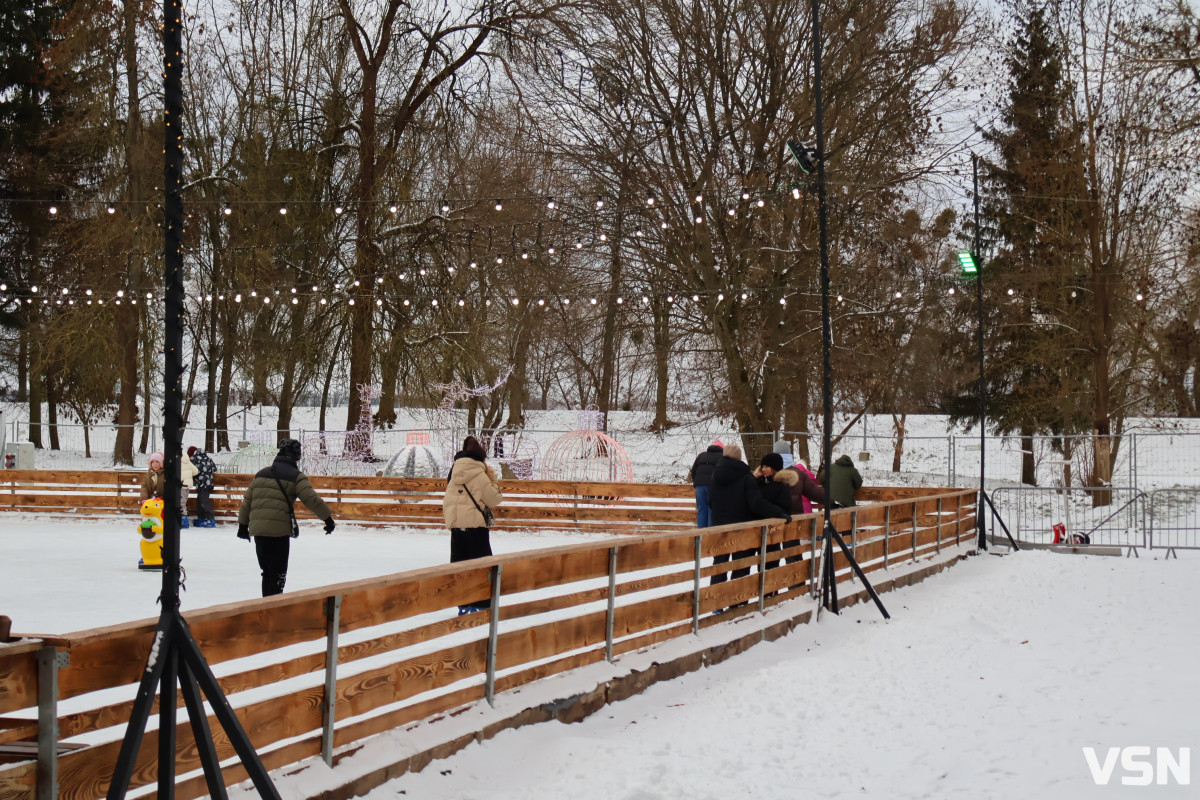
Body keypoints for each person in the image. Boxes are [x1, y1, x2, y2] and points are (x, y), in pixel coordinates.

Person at [236, 439, 335, 597]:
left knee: (267, 572)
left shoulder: (261, 474)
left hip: (259, 532)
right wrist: (328, 519)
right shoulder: (296, 476)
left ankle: (266, 608)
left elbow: (247, 501)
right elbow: (311, 499)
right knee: (278, 574)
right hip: (278, 533)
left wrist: (242, 526)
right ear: (296, 457)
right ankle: (273, 611)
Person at [707, 444, 790, 587]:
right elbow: (757, 504)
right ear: (739, 458)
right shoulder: (745, 477)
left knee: (719, 564)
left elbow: (710, 502)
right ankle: (736, 602)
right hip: (742, 528)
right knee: (740, 565)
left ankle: (716, 603)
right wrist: (779, 512)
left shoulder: (715, 477)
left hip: (719, 527)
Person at [443, 436, 504, 615]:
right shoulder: (479, 475)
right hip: (475, 529)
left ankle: (463, 604)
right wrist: (493, 480)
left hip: (456, 527)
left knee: (459, 568)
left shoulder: (453, 473)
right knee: (482, 567)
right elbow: (495, 499)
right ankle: (482, 605)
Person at [753, 453, 794, 572]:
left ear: (774, 467)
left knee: (770, 565)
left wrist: (778, 513)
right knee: (762, 566)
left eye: (767, 466)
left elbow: (784, 507)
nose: (764, 469)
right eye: (763, 466)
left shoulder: (779, 485)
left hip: (772, 531)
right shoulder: (761, 482)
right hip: (759, 530)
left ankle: (771, 591)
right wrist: (755, 477)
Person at [687, 440, 724, 527]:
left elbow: (694, 470)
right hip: (713, 486)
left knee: (701, 509)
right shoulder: (722, 457)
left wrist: (696, 482)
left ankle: (701, 535)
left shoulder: (701, 455)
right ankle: (709, 536)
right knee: (711, 509)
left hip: (699, 486)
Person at [187, 446, 217, 527]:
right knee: (200, 501)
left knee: (204, 502)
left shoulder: (195, 460)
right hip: (208, 484)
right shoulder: (207, 458)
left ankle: (210, 519)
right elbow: (214, 468)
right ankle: (201, 518)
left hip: (202, 484)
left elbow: (192, 470)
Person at [179, 449, 199, 528]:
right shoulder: (188, 462)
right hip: (187, 485)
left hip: (181, 484)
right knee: (184, 501)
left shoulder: (177, 462)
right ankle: (184, 518)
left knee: (181, 503)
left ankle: (183, 520)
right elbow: (196, 471)